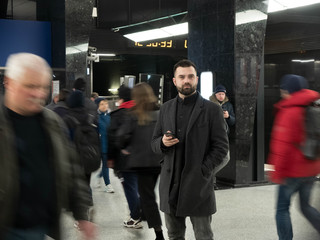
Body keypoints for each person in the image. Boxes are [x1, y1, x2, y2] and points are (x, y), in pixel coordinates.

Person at [0, 52, 96, 239]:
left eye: (43, 87)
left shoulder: (52, 122)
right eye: (30, 86)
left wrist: (82, 214)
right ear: (9, 83)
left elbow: (71, 170)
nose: (39, 94)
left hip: (41, 228)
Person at [151, 59, 229, 240]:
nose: (187, 80)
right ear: (175, 81)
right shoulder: (166, 108)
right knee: (174, 235)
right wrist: (162, 142)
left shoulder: (212, 110)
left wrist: (203, 170)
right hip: (170, 186)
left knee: (203, 235)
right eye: (182, 77)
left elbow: (221, 148)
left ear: (197, 79)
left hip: (198, 186)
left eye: (190, 76)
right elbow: (154, 143)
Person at [267, 74, 320, 240]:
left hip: (292, 172)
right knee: (305, 206)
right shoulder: (313, 107)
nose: (282, 93)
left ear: (288, 91)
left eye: (283, 89)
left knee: (282, 209)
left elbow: (281, 145)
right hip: (311, 169)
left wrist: (277, 172)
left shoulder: (289, 111)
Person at [118, 83, 164, 239]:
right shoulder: (160, 111)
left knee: (148, 197)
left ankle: (159, 234)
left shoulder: (133, 114)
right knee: (149, 193)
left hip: (141, 162)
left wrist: (125, 147)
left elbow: (122, 136)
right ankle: (145, 214)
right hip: (158, 160)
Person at [108, 84, 142, 228]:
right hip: (143, 158)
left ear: (121, 98)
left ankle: (135, 217)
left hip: (125, 159)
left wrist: (110, 158)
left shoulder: (117, 114)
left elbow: (112, 138)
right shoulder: (141, 111)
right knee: (140, 187)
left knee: (129, 187)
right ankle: (139, 213)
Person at [96, 98, 114, 193]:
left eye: (106, 104)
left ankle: (99, 176)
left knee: (107, 165)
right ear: (98, 106)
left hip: (110, 145)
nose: (104, 106)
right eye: (102, 104)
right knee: (105, 165)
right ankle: (108, 185)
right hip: (101, 145)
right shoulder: (96, 117)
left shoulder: (111, 116)